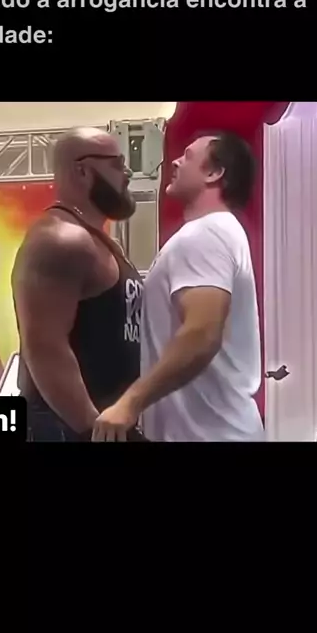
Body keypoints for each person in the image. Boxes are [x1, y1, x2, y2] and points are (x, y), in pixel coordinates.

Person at [92, 130, 265, 442]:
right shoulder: (216, 232)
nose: (174, 161)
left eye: (188, 156)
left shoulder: (206, 234)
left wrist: (129, 403)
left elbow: (201, 333)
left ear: (214, 173)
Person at [12, 127, 145, 441]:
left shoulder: (97, 241)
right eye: (117, 164)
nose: (127, 174)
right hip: (67, 428)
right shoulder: (61, 239)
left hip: (100, 424)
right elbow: (45, 348)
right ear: (82, 171)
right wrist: (91, 430)